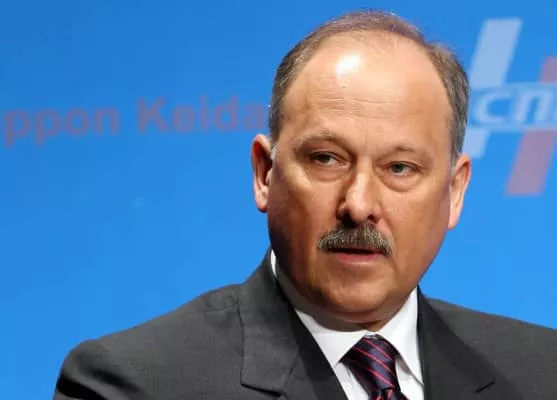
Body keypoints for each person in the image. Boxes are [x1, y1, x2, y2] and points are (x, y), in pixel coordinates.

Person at [53, 9, 557, 400]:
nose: (359, 204)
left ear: (455, 191)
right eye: (326, 159)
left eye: (400, 168)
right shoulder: (136, 385)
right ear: (264, 173)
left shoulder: (543, 372)